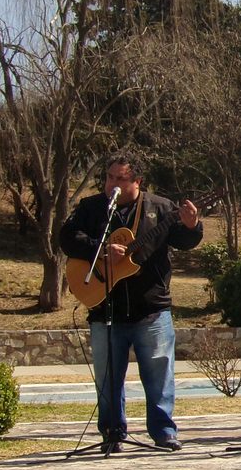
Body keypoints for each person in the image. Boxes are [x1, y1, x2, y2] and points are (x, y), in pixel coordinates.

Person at [59, 152, 203, 452]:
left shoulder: (160, 208)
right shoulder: (92, 207)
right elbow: (67, 238)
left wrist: (192, 226)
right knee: (108, 377)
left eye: (121, 179)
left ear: (137, 181)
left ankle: (164, 432)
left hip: (150, 308)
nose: (113, 184)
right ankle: (112, 431)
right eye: (110, 177)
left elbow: (185, 241)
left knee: (159, 374)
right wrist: (99, 248)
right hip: (105, 307)